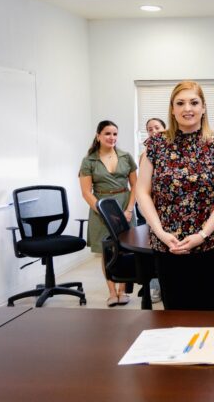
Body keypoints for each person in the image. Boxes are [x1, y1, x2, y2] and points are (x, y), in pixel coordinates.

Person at [135, 81, 214, 310]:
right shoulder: (156, 145)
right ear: (172, 109)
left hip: (209, 245)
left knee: (211, 316)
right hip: (167, 245)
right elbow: (142, 191)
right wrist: (160, 232)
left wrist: (202, 234)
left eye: (193, 102)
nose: (187, 108)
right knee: (174, 315)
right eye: (180, 103)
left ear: (203, 107)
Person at [78, 120, 137, 307]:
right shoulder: (89, 161)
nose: (112, 137)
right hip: (101, 207)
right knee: (108, 252)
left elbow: (136, 186)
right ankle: (112, 292)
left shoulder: (126, 157)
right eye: (107, 134)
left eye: (115, 134)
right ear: (98, 136)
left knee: (127, 249)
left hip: (124, 204)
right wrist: (104, 212)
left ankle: (123, 292)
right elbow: (86, 192)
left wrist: (128, 210)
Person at [138, 117, 166, 303]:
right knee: (156, 248)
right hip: (152, 207)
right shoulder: (146, 154)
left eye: (156, 127)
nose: (153, 131)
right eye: (149, 129)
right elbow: (144, 186)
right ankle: (156, 286)